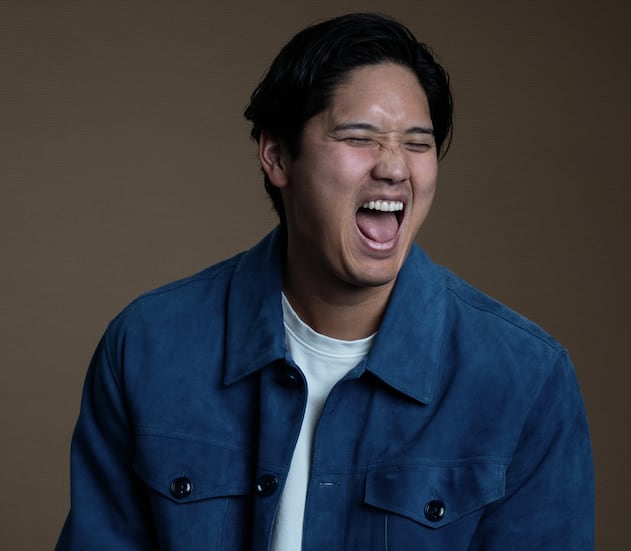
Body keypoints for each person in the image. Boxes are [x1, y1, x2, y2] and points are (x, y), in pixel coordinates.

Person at [56, 12, 594, 550]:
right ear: (277, 156)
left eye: (417, 143)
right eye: (359, 138)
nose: (394, 168)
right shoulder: (148, 347)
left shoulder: (524, 378)